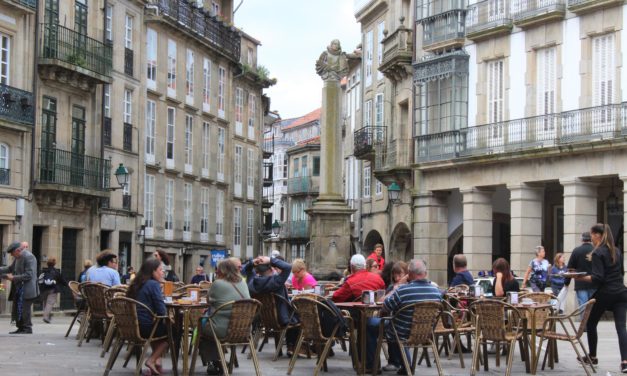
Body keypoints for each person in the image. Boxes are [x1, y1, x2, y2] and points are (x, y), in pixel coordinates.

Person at [365, 259, 442, 373]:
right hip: (426, 332)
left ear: (409, 274)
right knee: (395, 325)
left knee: (371, 323)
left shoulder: (403, 290)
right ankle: (404, 366)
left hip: (401, 331)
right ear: (425, 273)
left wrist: (397, 286)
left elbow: (386, 307)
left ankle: (372, 366)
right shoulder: (436, 292)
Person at [574, 223, 627, 373]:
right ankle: (625, 362)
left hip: (606, 293)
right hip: (622, 293)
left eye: (591, 235)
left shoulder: (598, 253)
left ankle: (592, 356)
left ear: (597, 235)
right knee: (621, 327)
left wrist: (579, 277)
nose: (591, 238)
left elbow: (598, 278)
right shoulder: (617, 251)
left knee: (591, 322)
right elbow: (621, 273)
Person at [200, 258, 250, 375]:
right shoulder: (243, 282)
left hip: (222, 329)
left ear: (222, 272)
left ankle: (215, 361)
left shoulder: (217, 283)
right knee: (210, 323)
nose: (216, 272)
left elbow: (208, 300)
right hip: (244, 329)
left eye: (218, 270)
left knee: (202, 327)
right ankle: (218, 361)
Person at [244, 255, 300, 355]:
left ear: (257, 271)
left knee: (293, 315)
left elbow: (247, 270)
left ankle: (291, 347)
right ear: (271, 269)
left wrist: (252, 262)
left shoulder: (251, 283)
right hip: (282, 318)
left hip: (265, 319)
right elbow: (287, 267)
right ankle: (292, 346)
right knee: (300, 315)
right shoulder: (276, 281)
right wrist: (270, 259)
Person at [126, 258, 170, 375]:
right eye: (160, 270)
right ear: (153, 272)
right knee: (173, 331)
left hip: (130, 327)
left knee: (158, 327)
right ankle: (151, 360)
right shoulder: (153, 284)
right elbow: (162, 311)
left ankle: (157, 362)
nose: (162, 273)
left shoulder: (136, 283)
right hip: (144, 328)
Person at [0, 242, 39, 334]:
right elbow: (10, 268)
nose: (12, 255)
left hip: (27, 288)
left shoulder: (29, 257)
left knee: (25, 309)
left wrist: (13, 278)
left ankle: (27, 328)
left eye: (12, 253)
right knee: (17, 308)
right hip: (19, 288)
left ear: (18, 250)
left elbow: (29, 275)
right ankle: (20, 327)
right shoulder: (17, 257)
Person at [566, 232, 596, 308]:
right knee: (593, 307)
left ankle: (584, 320)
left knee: (583, 306)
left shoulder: (576, 250)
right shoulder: (596, 250)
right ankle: (592, 320)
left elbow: (570, 268)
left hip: (580, 283)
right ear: (591, 239)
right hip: (594, 282)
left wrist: (566, 282)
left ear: (582, 239)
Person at [39, 257, 67, 323]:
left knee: (45, 303)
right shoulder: (56, 272)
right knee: (50, 303)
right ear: (54, 264)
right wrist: (66, 285)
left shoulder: (43, 271)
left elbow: (39, 280)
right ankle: (46, 317)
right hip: (53, 290)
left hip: (44, 289)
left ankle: (47, 315)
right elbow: (62, 280)